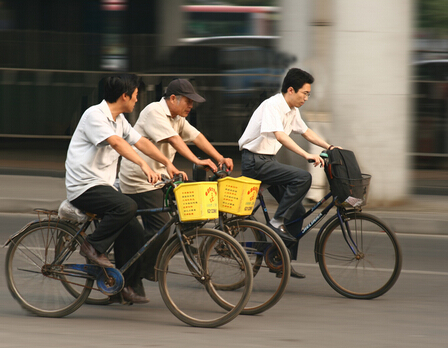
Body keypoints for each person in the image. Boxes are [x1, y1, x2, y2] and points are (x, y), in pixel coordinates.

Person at [65, 74, 184, 304]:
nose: (137, 101)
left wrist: (168, 163)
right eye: (136, 96)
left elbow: (141, 142)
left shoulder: (119, 120)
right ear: (124, 96)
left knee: (135, 231)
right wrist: (143, 165)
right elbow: (117, 143)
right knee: (127, 205)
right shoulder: (95, 115)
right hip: (84, 186)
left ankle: (124, 286)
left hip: (103, 186)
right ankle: (92, 246)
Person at [119, 78, 233, 280]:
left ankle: (180, 242)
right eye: (188, 101)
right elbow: (174, 139)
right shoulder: (154, 111)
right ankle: (142, 269)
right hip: (140, 180)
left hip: (162, 177)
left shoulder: (177, 117)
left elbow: (197, 137)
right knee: (160, 226)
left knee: (192, 205)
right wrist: (197, 161)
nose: (191, 106)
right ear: (173, 98)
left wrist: (219, 157)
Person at [238, 68, 339, 279]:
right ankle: (276, 223)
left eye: (308, 94)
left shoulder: (292, 110)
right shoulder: (273, 106)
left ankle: (281, 261)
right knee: (303, 177)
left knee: (298, 212)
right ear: (291, 90)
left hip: (268, 161)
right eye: (304, 93)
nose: (306, 98)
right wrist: (305, 155)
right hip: (255, 161)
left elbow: (306, 132)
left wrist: (329, 147)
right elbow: (280, 136)